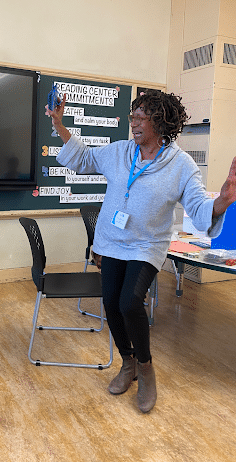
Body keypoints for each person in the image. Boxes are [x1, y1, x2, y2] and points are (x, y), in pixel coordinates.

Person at [47, 90, 236, 413]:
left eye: (139, 117)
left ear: (160, 121)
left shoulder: (181, 165)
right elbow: (85, 158)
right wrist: (59, 124)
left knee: (129, 301)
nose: (132, 123)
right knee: (110, 303)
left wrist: (224, 200)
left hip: (146, 245)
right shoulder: (121, 152)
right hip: (110, 241)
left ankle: (146, 369)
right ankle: (127, 362)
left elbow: (198, 208)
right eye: (132, 116)